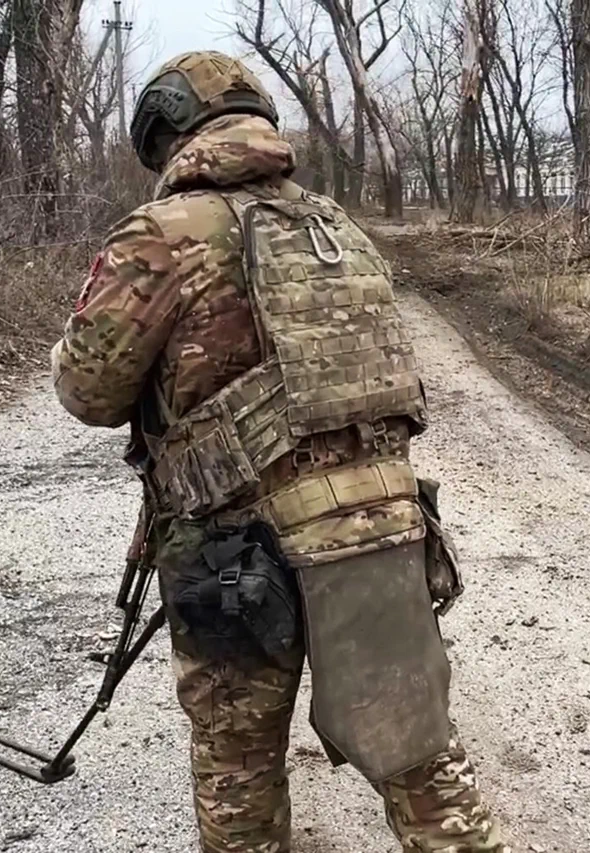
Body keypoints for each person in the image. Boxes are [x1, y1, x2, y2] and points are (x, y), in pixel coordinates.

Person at [50, 51, 508, 853]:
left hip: (236, 551)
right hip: (378, 529)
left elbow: (88, 393)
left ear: (166, 135)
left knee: (240, 772)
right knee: (420, 757)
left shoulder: (163, 234)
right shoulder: (336, 227)